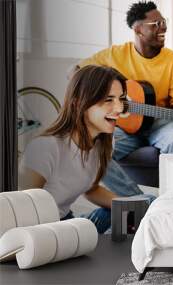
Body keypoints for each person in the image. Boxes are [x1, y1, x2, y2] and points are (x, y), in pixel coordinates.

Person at [76, 1, 173, 196]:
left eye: (163, 22)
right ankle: (139, 201)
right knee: (92, 149)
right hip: (122, 127)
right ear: (138, 29)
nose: (163, 27)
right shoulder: (115, 54)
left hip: (159, 123)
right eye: (155, 24)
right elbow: (75, 71)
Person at [18, 65, 140, 233]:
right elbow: (21, 210)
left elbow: (91, 189)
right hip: (44, 231)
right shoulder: (44, 148)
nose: (120, 108)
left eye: (121, 99)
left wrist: (129, 206)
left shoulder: (103, 143)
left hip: (68, 223)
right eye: (109, 99)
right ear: (78, 103)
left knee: (145, 202)